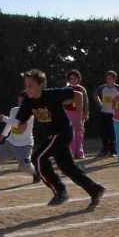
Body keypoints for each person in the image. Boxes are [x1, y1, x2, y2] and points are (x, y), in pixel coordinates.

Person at [16, 69, 105, 208]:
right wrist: (20, 125)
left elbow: (78, 95)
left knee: (38, 158)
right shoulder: (28, 101)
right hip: (53, 136)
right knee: (67, 167)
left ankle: (60, 191)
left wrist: (78, 121)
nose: (27, 89)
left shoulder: (52, 94)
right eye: (26, 85)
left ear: (41, 85)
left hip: (63, 133)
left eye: (31, 85)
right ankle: (95, 190)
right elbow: (22, 121)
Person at [0, 91, 39, 183]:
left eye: (23, 102)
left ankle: (36, 174)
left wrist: (4, 118)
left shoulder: (31, 114)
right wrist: (3, 135)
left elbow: (19, 125)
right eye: (19, 102)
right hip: (10, 143)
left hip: (25, 145)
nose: (20, 104)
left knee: (24, 166)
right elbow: (10, 123)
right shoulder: (14, 110)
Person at [64, 69, 89, 160]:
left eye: (75, 78)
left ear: (78, 79)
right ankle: (72, 152)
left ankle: (80, 152)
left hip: (80, 113)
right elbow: (64, 102)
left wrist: (86, 113)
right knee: (71, 133)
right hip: (69, 113)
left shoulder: (82, 89)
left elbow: (86, 102)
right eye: (71, 78)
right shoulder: (67, 89)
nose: (73, 80)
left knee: (80, 133)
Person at [94, 70, 119, 157]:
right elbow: (95, 94)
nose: (108, 80)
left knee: (112, 132)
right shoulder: (102, 87)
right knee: (103, 132)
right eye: (107, 78)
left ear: (114, 79)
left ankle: (113, 150)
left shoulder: (118, 88)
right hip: (104, 113)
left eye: (110, 78)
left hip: (114, 114)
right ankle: (104, 149)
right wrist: (100, 103)